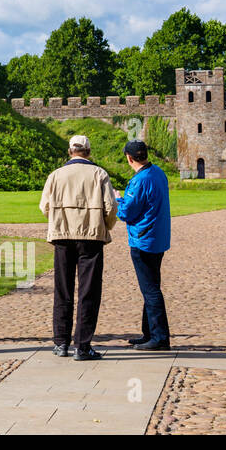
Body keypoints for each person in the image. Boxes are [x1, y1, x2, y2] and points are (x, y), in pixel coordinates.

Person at [39, 134, 118, 360]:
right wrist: (104, 226)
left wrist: (59, 220)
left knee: (62, 290)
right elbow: (110, 208)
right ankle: (82, 346)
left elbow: (44, 206)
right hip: (91, 237)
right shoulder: (99, 174)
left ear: (69, 151)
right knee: (88, 292)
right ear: (89, 152)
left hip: (63, 237)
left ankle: (61, 343)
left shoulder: (56, 175)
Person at [115, 140, 172, 350]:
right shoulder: (158, 173)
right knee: (151, 287)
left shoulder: (139, 181)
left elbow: (126, 213)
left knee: (150, 290)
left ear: (129, 158)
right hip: (158, 237)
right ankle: (149, 333)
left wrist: (118, 199)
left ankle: (159, 337)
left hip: (143, 239)